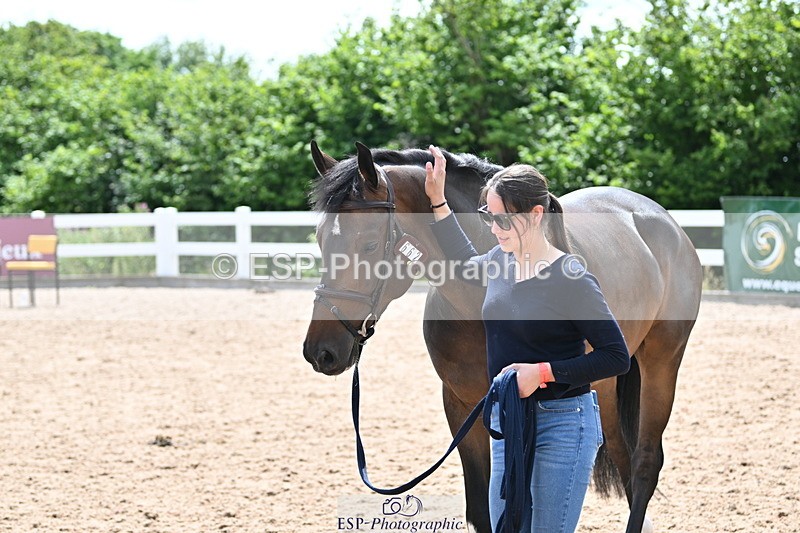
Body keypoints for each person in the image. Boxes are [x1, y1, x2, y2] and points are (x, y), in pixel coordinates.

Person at [423, 145, 630, 533]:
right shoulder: (497, 262)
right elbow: (462, 261)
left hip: (563, 424)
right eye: (489, 217)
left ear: (535, 215)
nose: (494, 228)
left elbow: (616, 356)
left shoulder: (571, 277)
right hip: (508, 420)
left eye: (503, 219)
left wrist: (544, 373)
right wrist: (438, 201)